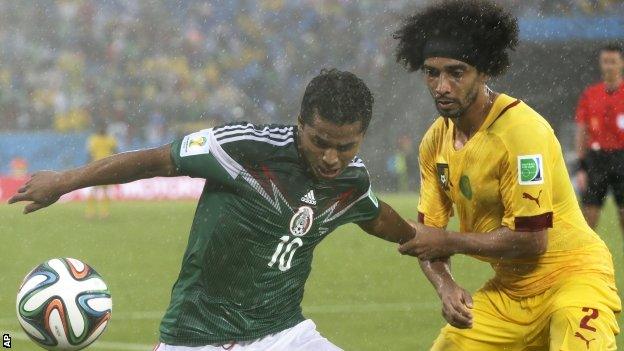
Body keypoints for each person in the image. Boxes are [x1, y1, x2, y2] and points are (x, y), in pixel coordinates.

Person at [9, 69, 416, 351]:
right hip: (194, 336)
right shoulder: (242, 148)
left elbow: (386, 222)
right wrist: (64, 182)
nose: (331, 158)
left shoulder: (352, 181)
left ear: (362, 137)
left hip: (284, 335)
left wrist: (443, 255)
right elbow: (155, 161)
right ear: (300, 124)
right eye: (320, 141)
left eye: (345, 147)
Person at [393, 1, 621, 349]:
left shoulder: (520, 133)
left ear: (484, 72)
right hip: (511, 295)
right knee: (451, 344)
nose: (441, 86)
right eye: (431, 72)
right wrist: (447, 286)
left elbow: (531, 240)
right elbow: (429, 237)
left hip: (574, 279)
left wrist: (449, 241)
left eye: (456, 72)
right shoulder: (433, 144)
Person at [575, 43, 624, 236]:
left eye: (613, 61)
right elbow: (581, 131)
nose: (609, 66)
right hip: (596, 159)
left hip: (622, 157)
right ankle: (586, 263)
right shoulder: (590, 95)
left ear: (621, 63)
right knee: (588, 219)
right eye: (605, 61)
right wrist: (580, 167)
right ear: (600, 64)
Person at [85, 125, 118, 218]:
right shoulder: (110, 139)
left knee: (93, 190)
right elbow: (116, 153)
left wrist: (87, 166)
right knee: (105, 191)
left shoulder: (93, 139)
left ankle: (90, 213)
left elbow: (89, 154)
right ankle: (104, 213)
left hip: (96, 167)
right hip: (107, 166)